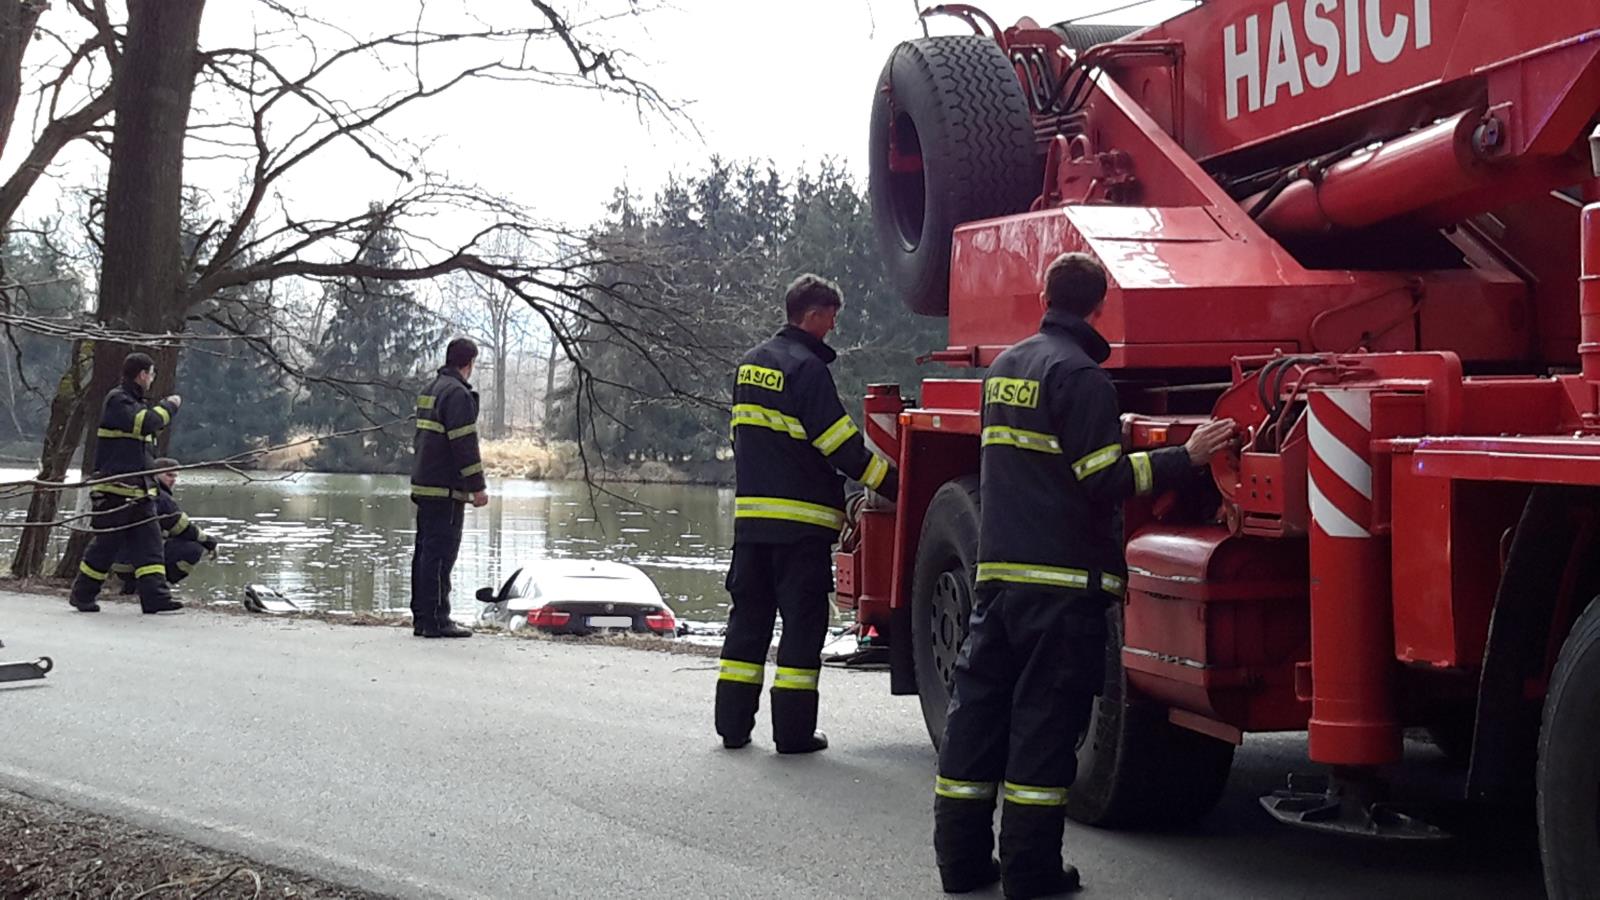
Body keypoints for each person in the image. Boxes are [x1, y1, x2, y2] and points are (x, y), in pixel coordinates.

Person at [932, 253, 1237, 897]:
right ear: (1100, 307)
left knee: (977, 716)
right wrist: (1186, 457)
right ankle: (1030, 871)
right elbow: (1104, 479)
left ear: (1045, 295)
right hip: (1061, 585)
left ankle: (961, 863)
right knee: (1045, 726)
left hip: (999, 579)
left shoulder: (1004, 370)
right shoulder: (1083, 377)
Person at [717, 274, 899, 754]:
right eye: (831, 317)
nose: (833, 327)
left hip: (752, 524)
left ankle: (732, 726)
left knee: (748, 622)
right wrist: (895, 484)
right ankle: (793, 733)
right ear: (813, 314)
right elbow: (839, 444)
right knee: (801, 627)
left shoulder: (750, 364)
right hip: (801, 528)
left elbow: (745, 439)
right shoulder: (807, 368)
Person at [69, 352, 185, 614]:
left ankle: (155, 597)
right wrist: (170, 406)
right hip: (115, 492)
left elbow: (142, 447)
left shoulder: (135, 403)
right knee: (106, 546)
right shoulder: (118, 400)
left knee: (151, 545)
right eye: (151, 374)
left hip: (140, 493)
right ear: (142, 375)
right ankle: (82, 594)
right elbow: (147, 423)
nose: (152, 379)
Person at [410, 336, 488, 638]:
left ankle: (422, 617)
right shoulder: (457, 394)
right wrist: (477, 487)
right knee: (441, 555)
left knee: (424, 553)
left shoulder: (430, 390)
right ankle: (437, 619)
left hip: (425, 483)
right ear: (470, 363)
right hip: (445, 488)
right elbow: (464, 443)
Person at [113, 458, 218, 594]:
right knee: (193, 549)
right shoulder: (160, 496)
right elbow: (182, 527)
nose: (173, 480)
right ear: (155, 474)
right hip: (134, 561)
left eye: (175, 476)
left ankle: (134, 586)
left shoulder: (137, 490)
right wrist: (208, 541)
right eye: (169, 475)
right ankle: (157, 587)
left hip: (119, 561)